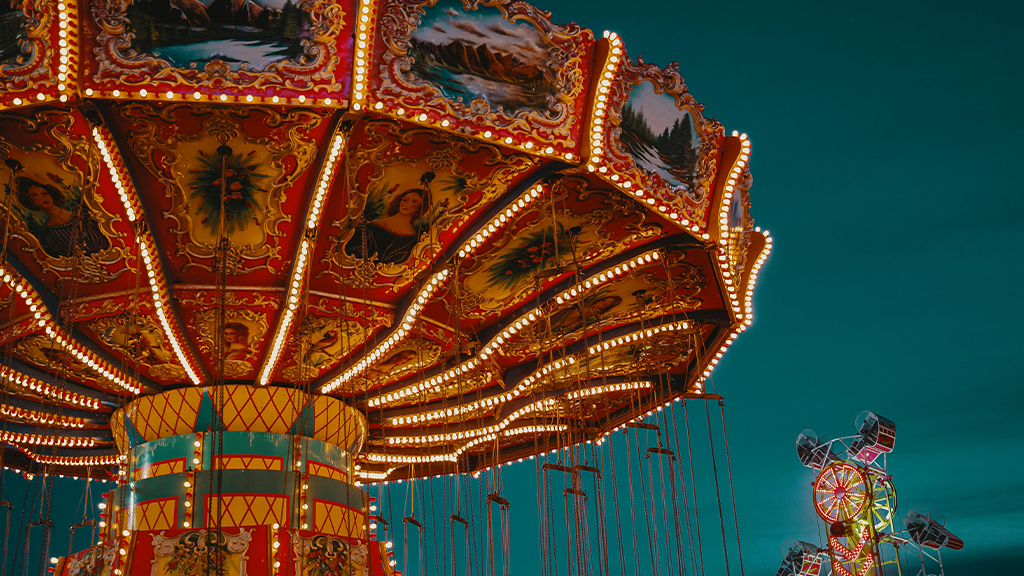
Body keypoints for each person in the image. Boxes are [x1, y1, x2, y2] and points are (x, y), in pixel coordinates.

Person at [15, 176, 109, 258]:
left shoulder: (82, 212)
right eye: (35, 195)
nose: (44, 197)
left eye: (45, 193)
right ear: (30, 200)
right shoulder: (50, 235)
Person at [345, 188, 429, 265]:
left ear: (421, 207)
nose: (406, 204)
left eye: (414, 202)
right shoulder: (374, 226)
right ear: (400, 201)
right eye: (405, 200)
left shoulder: (413, 238)